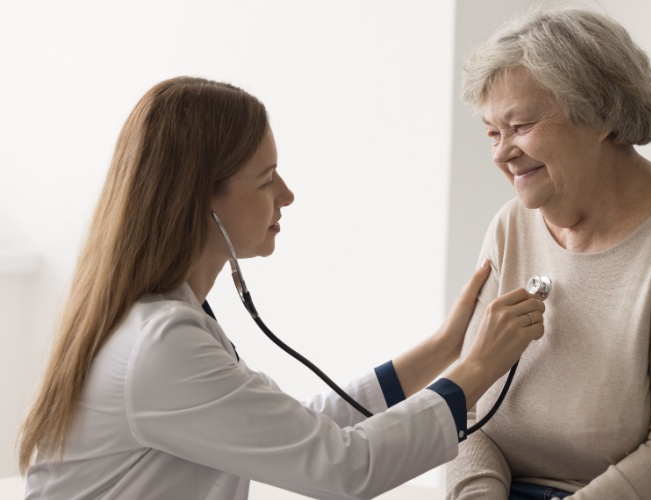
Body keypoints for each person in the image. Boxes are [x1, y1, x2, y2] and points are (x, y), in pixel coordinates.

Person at [17, 76, 547, 500]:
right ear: (202, 199)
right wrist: (477, 368)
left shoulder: (163, 321)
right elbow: (346, 468)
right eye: (267, 178)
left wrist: (444, 348)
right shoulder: (161, 345)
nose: (287, 196)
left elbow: (304, 428)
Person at [445, 7, 651, 500]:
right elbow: (467, 413)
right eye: (492, 131)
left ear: (601, 114)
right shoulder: (510, 228)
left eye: (521, 125)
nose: (501, 152)